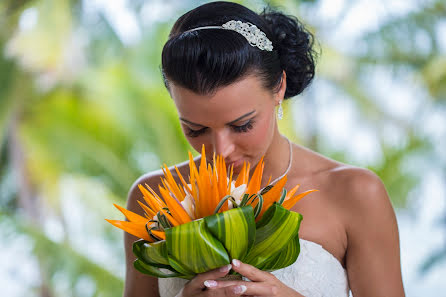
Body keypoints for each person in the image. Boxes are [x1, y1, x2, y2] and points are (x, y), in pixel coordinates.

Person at [123, 1, 405, 296]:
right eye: (196, 129)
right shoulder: (151, 198)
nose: (221, 150)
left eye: (242, 125)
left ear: (279, 88)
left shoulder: (355, 194)